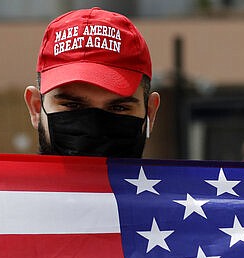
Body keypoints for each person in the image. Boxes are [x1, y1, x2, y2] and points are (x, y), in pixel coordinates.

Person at [24, 7, 160, 158]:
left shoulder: (183, 181)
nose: (94, 129)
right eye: (72, 105)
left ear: (150, 113)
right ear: (36, 108)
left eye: (118, 108)